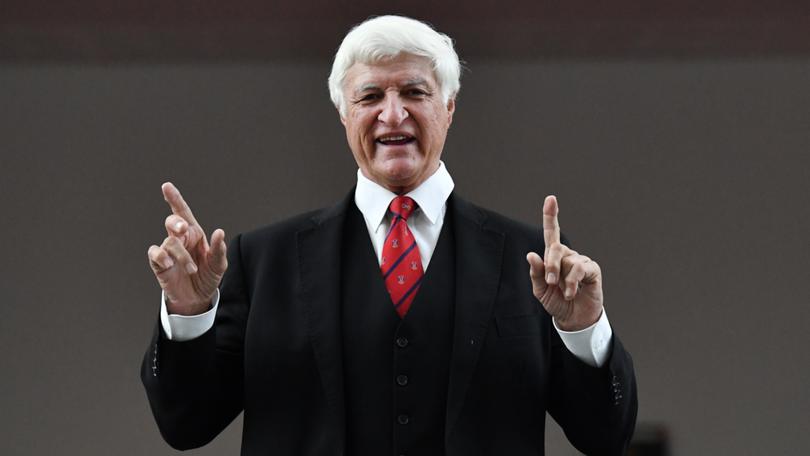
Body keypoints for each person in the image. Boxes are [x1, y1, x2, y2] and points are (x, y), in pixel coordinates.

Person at [141, 15, 637, 456]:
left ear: (449, 108)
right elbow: (186, 425)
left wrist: (583, 329)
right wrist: (188, 315)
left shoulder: (532, 263)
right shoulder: (264, 260)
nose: (392, 114)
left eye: (414, 93)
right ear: (344, 114)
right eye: (371, 96)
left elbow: (605, 436)